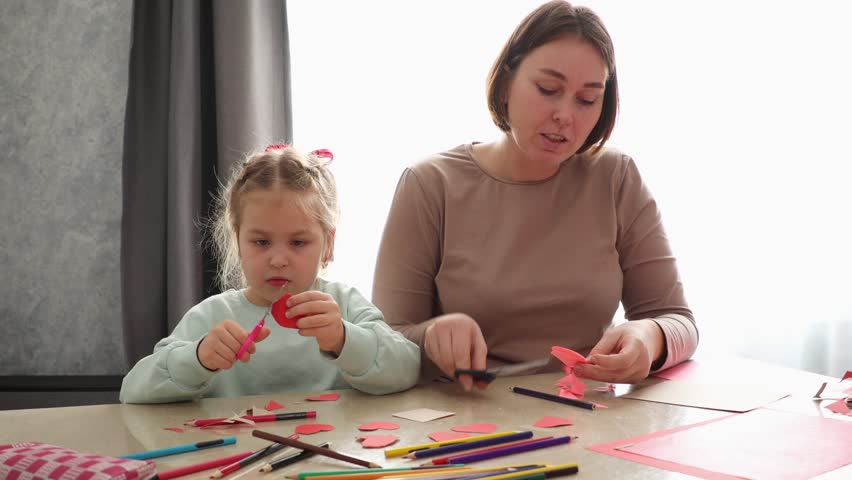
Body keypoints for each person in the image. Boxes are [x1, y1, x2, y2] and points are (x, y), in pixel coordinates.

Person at [372, 0, 698, 391]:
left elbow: (678, 320)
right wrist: (430, 335)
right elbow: (382, 343)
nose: (565, 114)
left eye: (587, 99)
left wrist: (650, 337)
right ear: (507, 83)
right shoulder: (430, 183)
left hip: (589, 419)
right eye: (548, 89)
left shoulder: (616, 177)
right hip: (464, 423)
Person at [121, 145, 420, 403]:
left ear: (328, 244)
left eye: (298, 242)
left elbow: (407, 368)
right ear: (237, 241)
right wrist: (199, 358)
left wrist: (344, 338)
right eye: (261, 242)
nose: (278, 260)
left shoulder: (343, 304)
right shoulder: (214, 316)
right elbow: (133, 391)